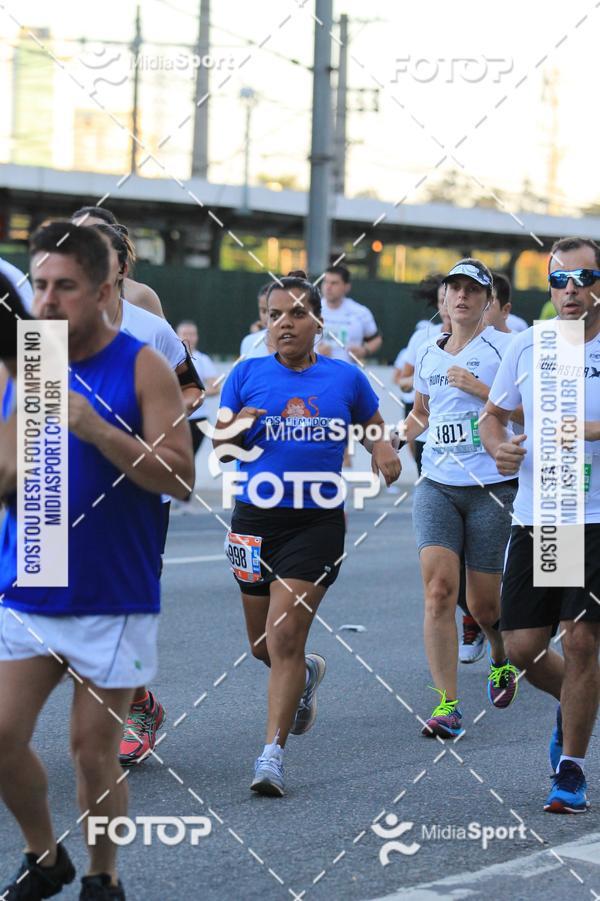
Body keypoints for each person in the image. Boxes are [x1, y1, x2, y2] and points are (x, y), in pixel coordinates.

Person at [0, 222, 194, 900]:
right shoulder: (27, 357)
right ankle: (44, 854)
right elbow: (7, 466)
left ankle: (102, 875)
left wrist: (94, 426)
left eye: (66, 286)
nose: (48, 300)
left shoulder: (140, 363)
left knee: (90, 748)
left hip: (113, 590)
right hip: (34, 576)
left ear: (104, 288)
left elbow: (179, 476)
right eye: (40, 284)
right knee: (0, 736)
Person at [214, 270, 400, 796]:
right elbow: (220, 451)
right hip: (254, 520)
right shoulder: (246, 375)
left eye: (297, 313)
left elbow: (370, 424)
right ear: (264, 322)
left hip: (316, 521)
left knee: (284, 636)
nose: (285, 323)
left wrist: (381, 448)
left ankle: (271, 756)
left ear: (318, 321)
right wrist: (237, 428)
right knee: (261, 646)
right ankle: (306, 676)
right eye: (275, 315)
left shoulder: (345, 378)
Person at [481, 236, 600, 814]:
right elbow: (494, 416)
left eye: (582, 278)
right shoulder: (529, 344)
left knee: (580, 640)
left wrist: (581, 429)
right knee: (525, 651)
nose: (570, 291)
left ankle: (572, 770)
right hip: (545, 519)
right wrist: (500, 449)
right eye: (558, 281)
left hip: (596, 518)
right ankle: (576, 702)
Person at [92, 224, 204, 767]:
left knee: (120, 608)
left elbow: (191, 385)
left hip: (137, 493)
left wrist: (160, 425)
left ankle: (137, 707)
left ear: (120, 267)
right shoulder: (39, 329)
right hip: (59, 490)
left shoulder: (150, 329)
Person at [404, 258, 520, 738]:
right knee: (438, 594)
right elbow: (420, 414)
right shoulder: (429, 353)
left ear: (487, 300)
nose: (463, 297)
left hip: (491, 488)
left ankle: (498, 653)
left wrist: (479, 388)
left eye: (473, 290)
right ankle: (447, 705)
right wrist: (392, 441)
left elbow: (525, 412)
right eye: (455, 289)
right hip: (437, 484)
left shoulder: (507, 348)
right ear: (445, 299)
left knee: (484, 605)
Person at [71, 206, 165, 318]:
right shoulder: (54, 294)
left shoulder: (139, 296)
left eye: (95, 235)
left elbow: (160, 335)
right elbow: (50, 335)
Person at [319, 265, 382, 363]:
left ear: (346, 287)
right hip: (317, 372)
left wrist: (364, 350)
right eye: (326, 282)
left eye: (334, 283)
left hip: (348, 373)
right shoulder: (311, 310)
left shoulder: (360, 312)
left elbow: (376, 339)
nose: (328, 287)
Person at [177, 319, 221, 457]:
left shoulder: (203, 360)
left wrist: (193, 393)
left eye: (192, 334)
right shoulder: (168, 357)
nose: (188, 337)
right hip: (175, 417)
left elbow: (215, 387)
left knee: (188, 457)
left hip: (198, 417)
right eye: (185, 333)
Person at [239, 284, 273, 358]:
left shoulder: (296, 344)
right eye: (263, 311)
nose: (267, 316)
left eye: (273, 311)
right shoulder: (248, 342)